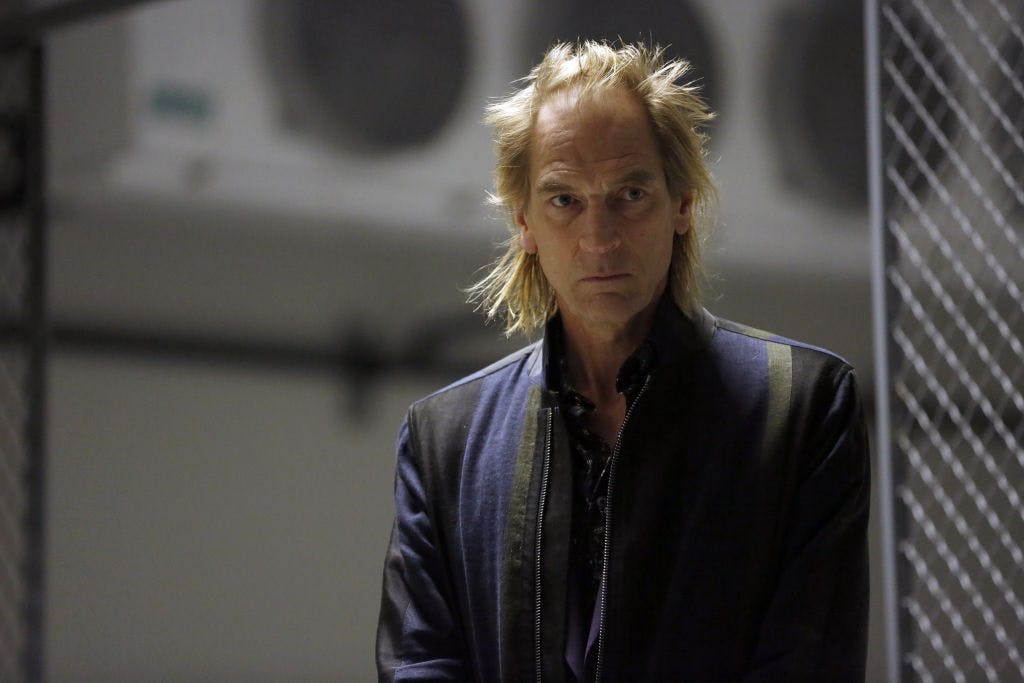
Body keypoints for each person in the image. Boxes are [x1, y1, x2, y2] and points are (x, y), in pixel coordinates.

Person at [376, 40, 869, 682]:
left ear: (682, 203)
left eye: (629, 194)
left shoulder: (800, 407)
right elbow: (420, 665)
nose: (600, 238)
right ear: (524, 223)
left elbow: (807, 664)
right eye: (564, 200)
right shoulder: (446, 439)